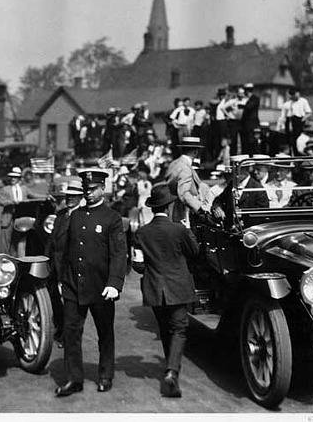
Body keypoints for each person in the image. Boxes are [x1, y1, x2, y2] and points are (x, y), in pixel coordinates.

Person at [54, 169, 127, 397]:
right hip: (73, 286)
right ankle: (73, 379)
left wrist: (114, 283)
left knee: (105, 333)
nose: (89, 192)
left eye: (93, 189)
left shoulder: (112, 218)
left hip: (101, 287)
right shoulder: (75, 215)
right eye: (86, 189)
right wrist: (61, 280)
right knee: (71, 333)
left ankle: (105, 375)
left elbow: (118, 253)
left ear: (102, 188)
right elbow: (66, 250)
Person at [131, 182, 200, 398]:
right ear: (169, 207)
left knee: (164, 328)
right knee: (179, 328)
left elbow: (138, 265)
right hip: (178, 286)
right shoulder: (179, 229)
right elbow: (195, 252)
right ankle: (172, 371)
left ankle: (171, 368)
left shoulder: (142, 233)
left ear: (152, 208)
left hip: (153, 287)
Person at [47, 178, 85, 347]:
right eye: (68, 195)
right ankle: (61, 331)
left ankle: (70, 337)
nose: (70, 198)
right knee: (54, 299)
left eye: (74, 196)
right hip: (54, 265)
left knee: (72, 305)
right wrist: (45, 260)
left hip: (70, 267)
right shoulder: (61, 215)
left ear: (81, 197)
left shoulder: (82, 216)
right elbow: (51, 240)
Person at [0, 166, 48, 256]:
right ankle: (3, 259)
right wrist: (12, 202)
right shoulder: (6, 189)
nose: (13, 179)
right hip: (8, 218)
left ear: (19, 179)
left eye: (15, 177)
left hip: (20, 218)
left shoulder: (24, 188)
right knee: (5, 242)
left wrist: (46, 196)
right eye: (12, 177)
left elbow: (34, 195)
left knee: (17, 240)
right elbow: (1, 202)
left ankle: (15, 259)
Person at [165, 136, 210, 227]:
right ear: (195, 152)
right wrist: (200, 208)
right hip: (181, 214)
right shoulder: (185, 168)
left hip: (171, 209)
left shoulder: (173, 164)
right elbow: (184, 194)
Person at [211, 155, 269, 226]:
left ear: (246, 170)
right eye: (233, 170)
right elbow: (219, 200)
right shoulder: (232, 185)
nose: (234, 173)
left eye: (237, 170)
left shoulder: (258, 189)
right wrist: (218, 208)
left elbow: (262, 215)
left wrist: (245, 222)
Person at [276, 87, 312, 153]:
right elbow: (282, 117)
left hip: (299, 121)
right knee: (290, 140)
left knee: (298, 139)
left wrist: (303, 119)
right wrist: (279, 127)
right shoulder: (287, 104)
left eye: (296, 94)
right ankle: (291, 152)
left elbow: (309, 112)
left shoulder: (303, 101)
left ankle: (298, 153)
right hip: (289, 121)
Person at [222, 87, 247, 156]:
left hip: (242, 121)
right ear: (237, 94)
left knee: (243, 138)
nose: (241, 95)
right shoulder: (233, 101)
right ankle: (233, 155)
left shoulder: (245, 101)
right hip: (234, 121)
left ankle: (243, 155)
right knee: (234, 139)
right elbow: (223, 108)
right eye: (240, 93)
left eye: (242, 93)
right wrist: (229, 115)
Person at [241, 83, 260, 155]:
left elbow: (249, 107)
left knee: (252, 141)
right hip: (246, 124)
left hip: (252, 124)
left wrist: (241, 105)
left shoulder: (255, 98)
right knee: (246, 142)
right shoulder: (248, 99)